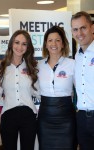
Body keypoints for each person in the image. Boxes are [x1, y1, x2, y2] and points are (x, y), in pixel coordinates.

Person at [0, 30, 39, 150]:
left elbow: (37, 91)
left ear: (28, 47)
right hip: (8, 114)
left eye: (24, 44)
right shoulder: (1, 67)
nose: (20, 47)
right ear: (11, 44)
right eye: (17, 42)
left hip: (28, 114)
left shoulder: (32, 66)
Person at [37, 26, 76, 150]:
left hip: (67, 119)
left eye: (58, 40)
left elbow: (80, 90)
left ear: (63, 44)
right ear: (46, 44)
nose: (54, 44)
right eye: (50, 40)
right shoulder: (38, 66)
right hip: (45, 119)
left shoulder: (72, 64)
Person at [71, 11, 94, 150]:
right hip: (82, 118)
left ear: (92, 27)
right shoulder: (77, 56)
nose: (79, 33)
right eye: (75, 29)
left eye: (83, 27)